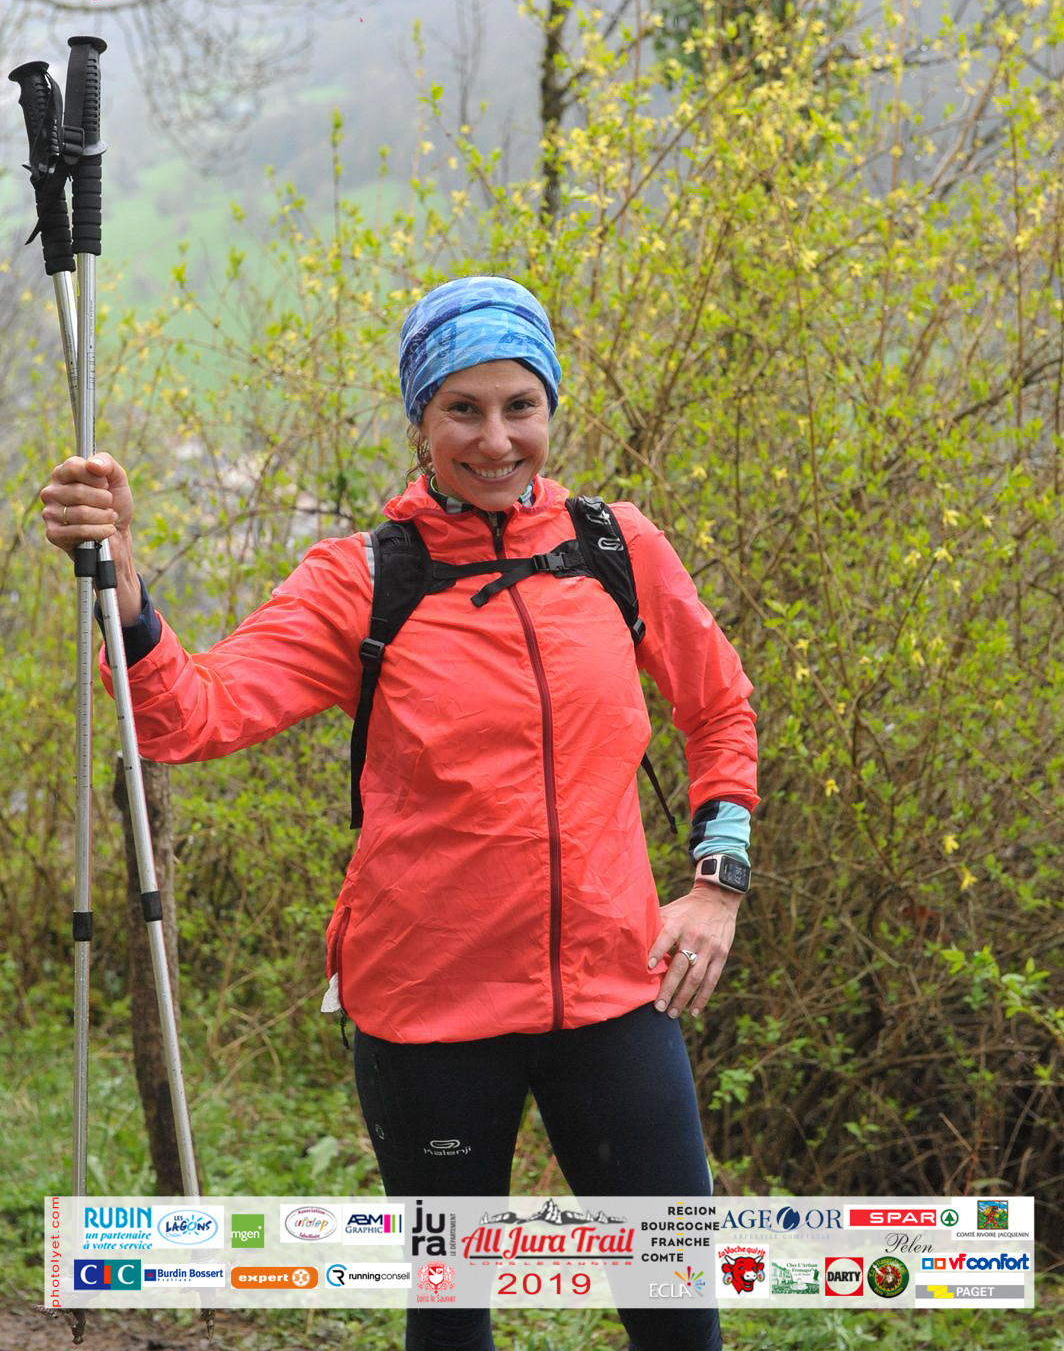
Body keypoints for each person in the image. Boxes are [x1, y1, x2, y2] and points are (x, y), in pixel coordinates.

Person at [42, 276, 758, 1351]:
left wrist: (716, 883)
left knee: (677, 1318)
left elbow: (720, 707)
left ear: (550, 408)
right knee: (452, 1318)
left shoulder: (618, 551)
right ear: (421, 421)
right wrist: (125, 584)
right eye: (462, 409)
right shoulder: (363, 580)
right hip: (429, 1016)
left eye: (519, 405)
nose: (496, 439)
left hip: (614, 990)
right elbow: (191, 714)